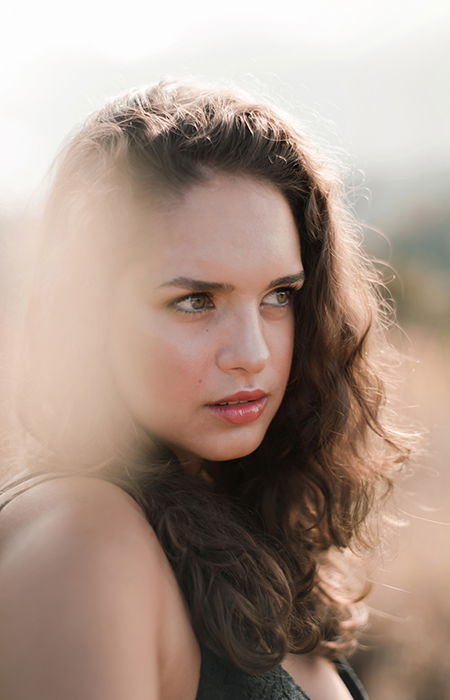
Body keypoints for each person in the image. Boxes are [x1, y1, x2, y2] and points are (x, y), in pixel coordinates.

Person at [0, 79, 412, 699]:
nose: (252, 354)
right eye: (195, 301)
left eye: (279, 296)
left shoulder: (245, 531)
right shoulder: (83, 541)